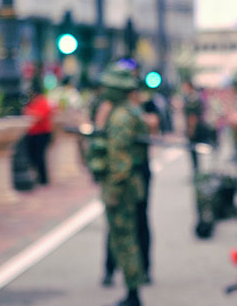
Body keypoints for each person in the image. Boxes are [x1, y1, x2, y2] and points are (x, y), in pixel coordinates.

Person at [97, 62, 149, 306]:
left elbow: (119, 159)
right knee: (127, 235)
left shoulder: (119, 117)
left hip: (123, 186)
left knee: (125, 238)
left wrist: (114, 190)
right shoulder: (130, 111)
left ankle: (133, 290)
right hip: (131, 184)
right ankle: (133, 287)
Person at [24, 76, 55, 186]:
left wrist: (29, 112)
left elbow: (40, 116)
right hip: (34, 133)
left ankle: (43, 179)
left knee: (40, 156)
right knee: (34, 156)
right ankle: (39, 177)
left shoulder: (42, 102)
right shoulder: (33, 103)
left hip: (42, 133)